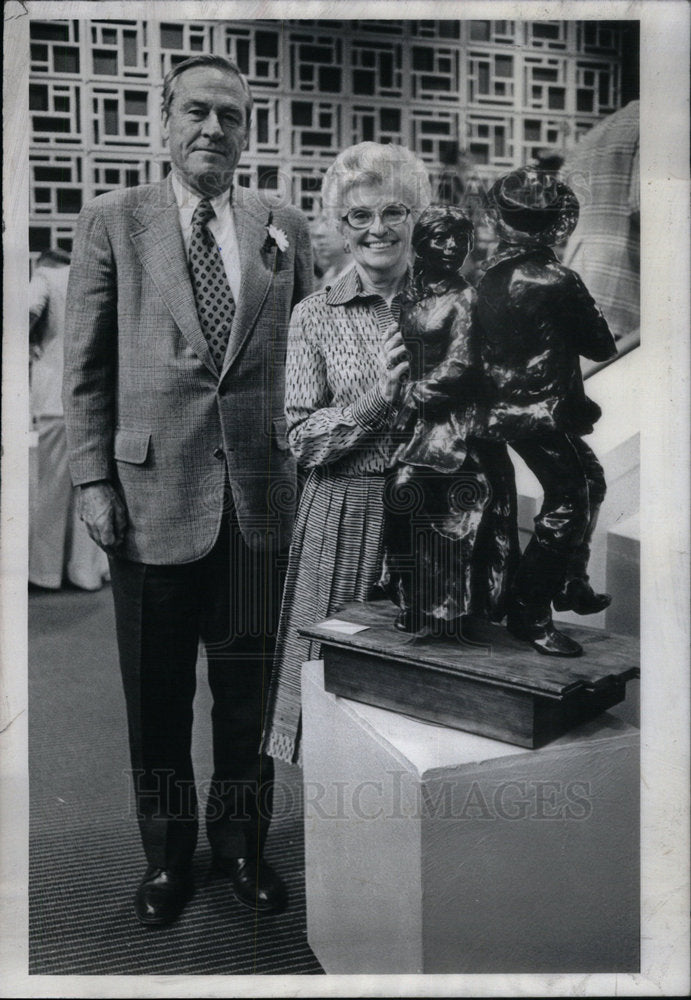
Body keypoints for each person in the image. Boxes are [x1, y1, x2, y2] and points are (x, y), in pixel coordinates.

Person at [63, 54, 313, 927]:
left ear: (249, 132)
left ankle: (242, 849)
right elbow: (85, 368)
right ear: (162, 121)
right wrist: (93, 478)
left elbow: (307, 353)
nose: (213, 129)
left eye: (230, 117)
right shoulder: (113, 221)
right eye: (196, 112)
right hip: (147, 501)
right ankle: (169, 859)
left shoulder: (281, 225)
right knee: (157, 699)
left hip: (257, 503)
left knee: (246, 695)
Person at [261, 142, 431, 766]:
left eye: (394, 211)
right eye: (358, 216)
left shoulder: (453, 306)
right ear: (339, 226)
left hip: (437, 512)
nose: (377, 228)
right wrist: (377, 399)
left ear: (419, 216)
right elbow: (303, 438)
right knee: (332, 683)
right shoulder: (314, 314)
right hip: (345, 513)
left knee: (430, 691)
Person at [476, 167, 617, 658]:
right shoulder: (558, 279)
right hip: (539, 412)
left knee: (590, 479)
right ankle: (531, 612)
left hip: (499, 414)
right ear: (556, 223)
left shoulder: (483, 276)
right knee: (569, 500)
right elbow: (601, 345)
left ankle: (570, 582)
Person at [382, 204, 519, 635]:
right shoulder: (413, 296)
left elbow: (462, 364)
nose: (452, 246)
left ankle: (450, 605)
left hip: (458, 424)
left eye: (460, 239)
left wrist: (413, 396)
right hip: (421, 422)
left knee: (411, 492)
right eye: (441, 237)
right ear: (422, 243)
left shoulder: (466, 298)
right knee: (398, 496)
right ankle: (410, 595)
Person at [29, 249, 109, 591]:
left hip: (52, 398)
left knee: (49, 491)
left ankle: (45, 573)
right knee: (91, 488)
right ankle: (85, 572)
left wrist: (31, 341)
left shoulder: (46, 278)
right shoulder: (93, 278)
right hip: (97, 399)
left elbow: (26, 309)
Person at [561, 101, 640, 348]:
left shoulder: (596, 132)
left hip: (578, 281)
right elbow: (646, 207)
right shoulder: (659, 126)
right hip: (623, 291)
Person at [310, 212, 350, 290]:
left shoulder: (363, 276)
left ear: (345, 235)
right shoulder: (329, 275)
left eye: (321, 237)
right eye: (314, 238)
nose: (315, 244)